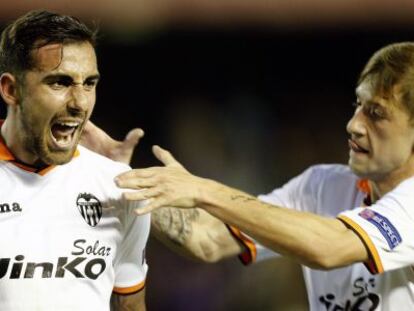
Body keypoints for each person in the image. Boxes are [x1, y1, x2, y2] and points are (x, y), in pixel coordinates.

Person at [86, 42, 414, 310]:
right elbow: (208, 239)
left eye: (376, 114)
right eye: (358, 105)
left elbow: (329, 247)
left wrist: (205, 191)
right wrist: (119, 176)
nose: (354, 124)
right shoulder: (323, 185)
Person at [0, 10, 150, 311]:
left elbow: (131, 306)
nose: (80, 103)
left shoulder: (117, 187)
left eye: (89, 84)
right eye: (59, 83)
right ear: (11, 89)